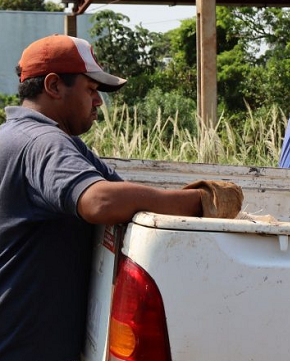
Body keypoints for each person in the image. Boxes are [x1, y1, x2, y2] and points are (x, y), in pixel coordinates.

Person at [0, 35, 207, 361]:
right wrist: (201, 201)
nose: (99, 102)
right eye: (91, 90)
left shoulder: (20, 137)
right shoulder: (42, 142)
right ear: (54, 86)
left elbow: (119, 191)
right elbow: (101, 202)